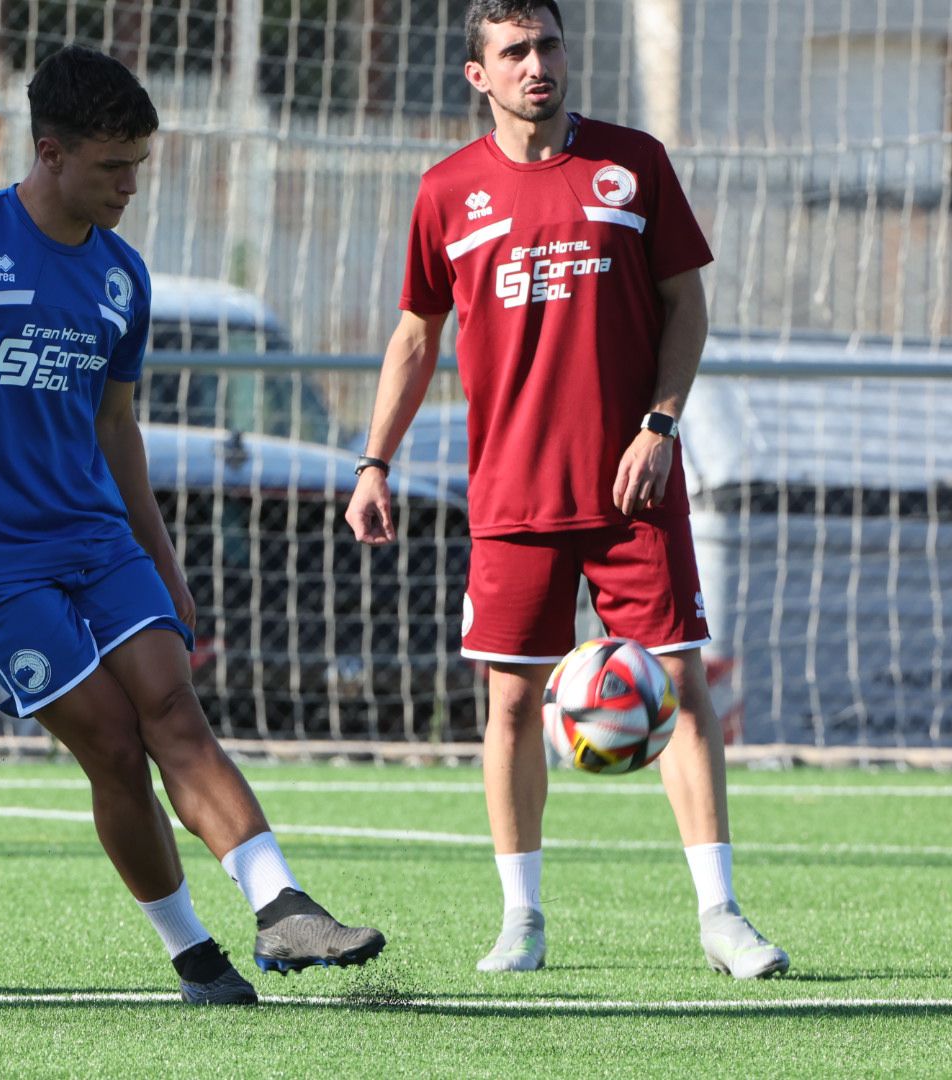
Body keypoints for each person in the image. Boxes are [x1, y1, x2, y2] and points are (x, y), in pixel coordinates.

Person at [0, 44, 384, 1005]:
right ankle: (194, 953)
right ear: (51, 151)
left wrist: (163, 558)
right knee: (112, 741)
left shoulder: (122, 279)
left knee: (173, 707)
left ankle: (285, 907)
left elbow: (117, 427)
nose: (129, 187)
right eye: (114, 167)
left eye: (139, 166)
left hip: (95, 535)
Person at [344, 0, 788, 980]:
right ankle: (523, 921)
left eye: (547, 44)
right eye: (514, 51)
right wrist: (374, 460)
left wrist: (659, 426)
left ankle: (720, 914)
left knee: (679, 687)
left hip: (633, 485)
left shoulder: (634, 164)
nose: (537, 64)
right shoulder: (447, 192)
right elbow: (416, 334)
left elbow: (687, 306)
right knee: (509, 704)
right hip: (513, 499)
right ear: (478, 74)